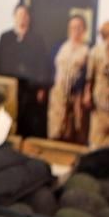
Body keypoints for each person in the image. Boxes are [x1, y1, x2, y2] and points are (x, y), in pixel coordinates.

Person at [0, 5, 51, 138]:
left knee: (27, 118)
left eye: (25, 16)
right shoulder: (5, 37)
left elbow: (42, 64)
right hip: (9, 86)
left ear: (29, 18)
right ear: (14, 17)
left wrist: (41, 88)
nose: (22, 19)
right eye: (19, 15)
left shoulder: (37, 40)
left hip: (29, 88)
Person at [47, 14, 90, 142]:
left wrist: (81, 91)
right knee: (56, 126)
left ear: (84, 30)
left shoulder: (88, 49)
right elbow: (50, 67)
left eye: (78, 27)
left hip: (77, 94)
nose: (75, 31)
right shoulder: (59, 46)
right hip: (58, 91)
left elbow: (88, 74)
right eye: (72, 27)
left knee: (73, 127)